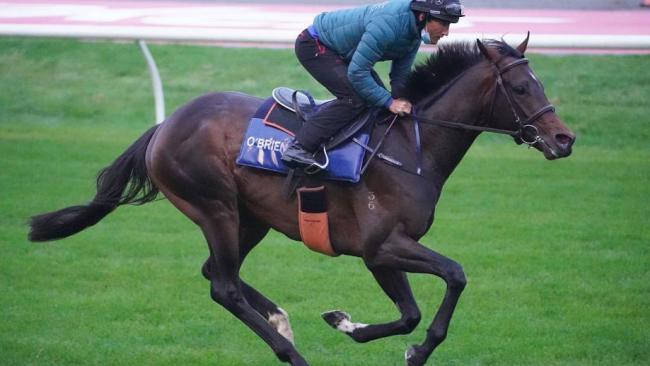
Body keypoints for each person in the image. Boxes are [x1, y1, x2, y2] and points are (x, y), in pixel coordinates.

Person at [281, 0, 464, 169]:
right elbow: (357, 73)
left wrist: (404, 99)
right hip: (315, 45)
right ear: (423, 16)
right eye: (444, 24)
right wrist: (390, 103)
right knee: (356, 99)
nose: (446, 32)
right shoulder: (388, 25)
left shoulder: (414, 29)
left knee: (378, 101)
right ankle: (298, 148)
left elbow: (399, 76)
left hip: (343, 53)